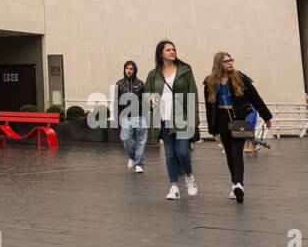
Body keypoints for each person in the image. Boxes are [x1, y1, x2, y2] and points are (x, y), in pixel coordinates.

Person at [202, 52, 272, 202]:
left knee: (236, 152)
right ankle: (235, 184)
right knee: (229, 153)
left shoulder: (240, 77)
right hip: (221, 119)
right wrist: (212, 128)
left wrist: (266, 116)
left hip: (239, 118)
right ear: (218, 64)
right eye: (226, 61)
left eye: (231, 60)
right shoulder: (209, 82)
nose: (230, 63)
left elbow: (255, 97)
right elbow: (209, 107)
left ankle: (239, 184)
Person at [144, 40, 198, 200]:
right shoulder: (153, 74)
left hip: (181, 118)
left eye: (173, 49)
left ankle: (189, 177)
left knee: (182, 152)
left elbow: (192, 93)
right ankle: (174, 186)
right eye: (168, 50)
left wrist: (193, 120)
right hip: (163, 119)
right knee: (169, 154)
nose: (172, 52)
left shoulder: (185, 70)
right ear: (161, 54)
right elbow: (147, 93)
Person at [114, 60, 147, 174]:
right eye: (127, 68)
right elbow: (116, 102)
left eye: (131, 68)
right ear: (124, 69)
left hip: (140, 116)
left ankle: (138, 164)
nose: (129, 70)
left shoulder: (141, 84)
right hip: (125, 117)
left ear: (135, 70)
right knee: (126, 139)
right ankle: (132, 157)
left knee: (140, 141)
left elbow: (145, 100)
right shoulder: (119, 84)